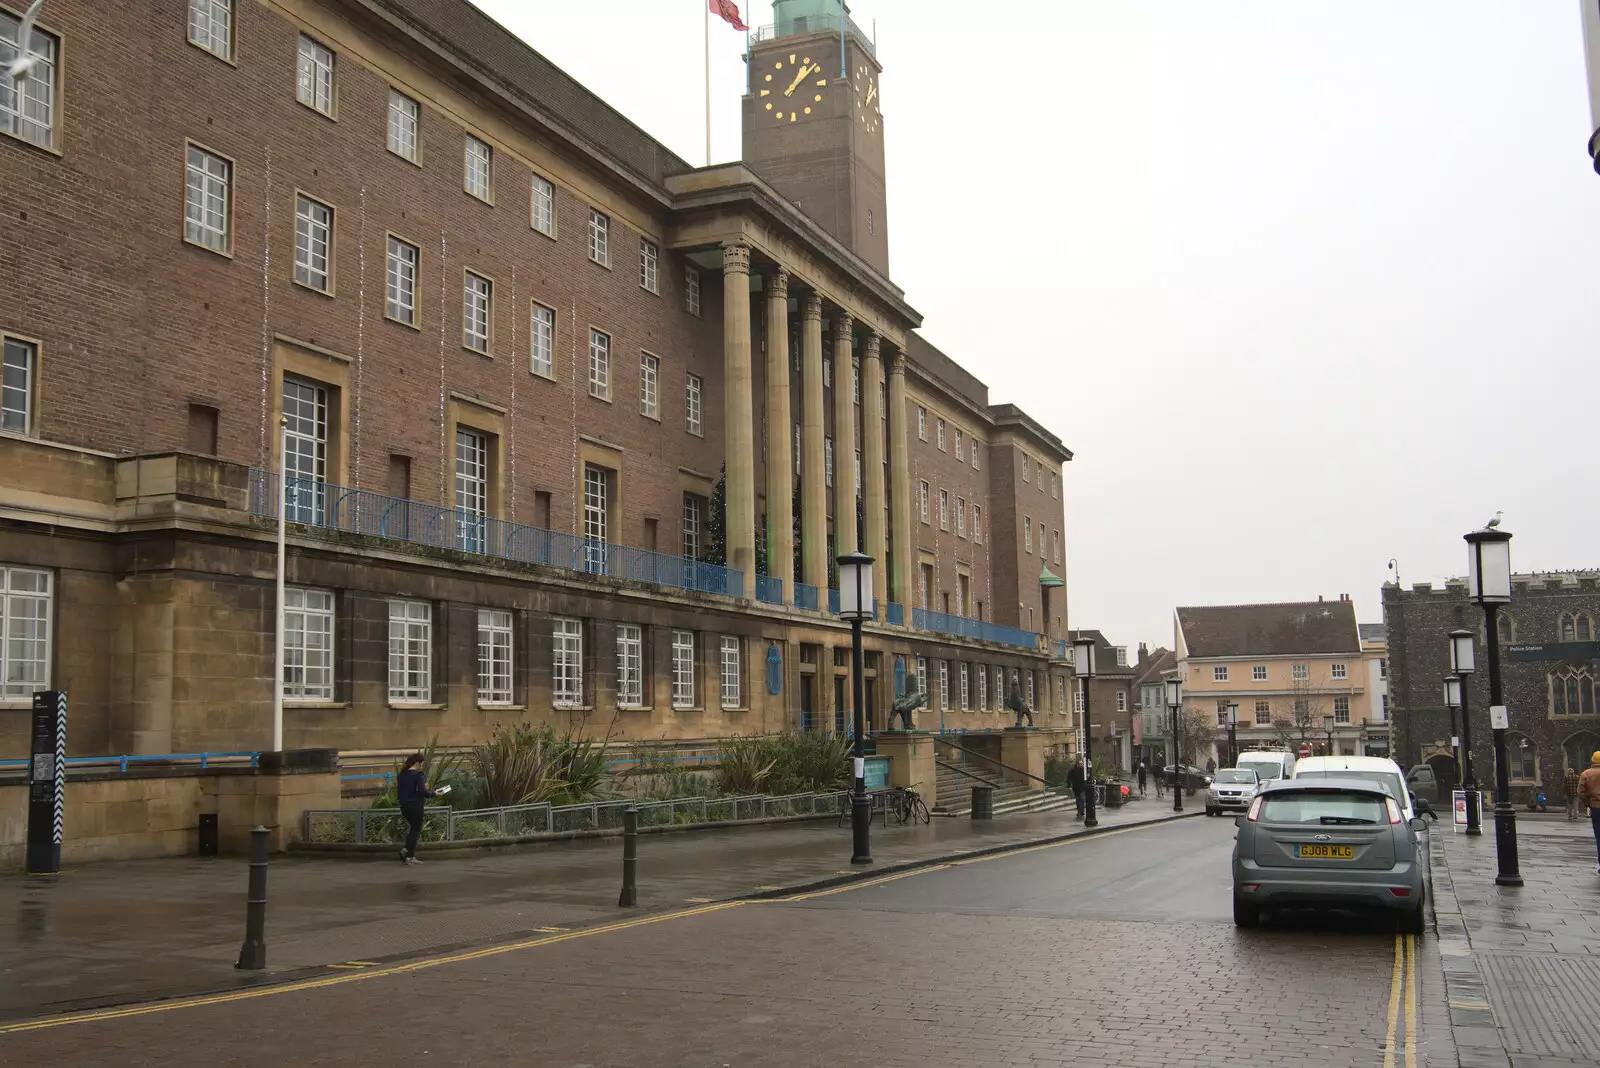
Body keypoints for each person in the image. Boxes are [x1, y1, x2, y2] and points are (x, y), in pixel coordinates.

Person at [397, 753, 436, 865]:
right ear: (417, 763)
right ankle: (408, 854)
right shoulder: (418, 774)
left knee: (413, 829)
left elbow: (404, 792)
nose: (422, 766)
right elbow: (424, 792)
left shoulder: (402, 775)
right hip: (415, 806)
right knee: (415, 829)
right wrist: (433, 793)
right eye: (421, 764)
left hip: (404, 806)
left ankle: (407, 852)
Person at [1580, 751, 1600, 875]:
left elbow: (1581, 793)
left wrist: (1588, 803)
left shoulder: (1586, 774)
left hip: (1596, 808)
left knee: (1599, 836)